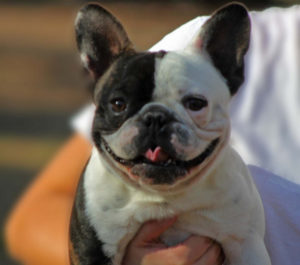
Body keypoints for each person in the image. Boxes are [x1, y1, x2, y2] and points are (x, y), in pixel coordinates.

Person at [5, 4, 300, 265]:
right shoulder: (191, 53)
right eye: (120, 105)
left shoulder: (235, 190)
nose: (156, 128)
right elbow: (34, 217)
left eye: (194, 105)